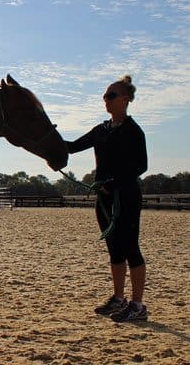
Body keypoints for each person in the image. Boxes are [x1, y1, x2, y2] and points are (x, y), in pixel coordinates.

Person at [65, 75, 148, 322]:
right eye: (105, 95)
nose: (106, 99)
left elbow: (141, 166)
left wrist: (114, 183)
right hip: (104, 200)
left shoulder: (134, 131)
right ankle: (118, 298)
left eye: (111, 95)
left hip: (126, 196)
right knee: (114, 249)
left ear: (125, 99)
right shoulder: (100, 130)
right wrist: (45, 140)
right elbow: (71, 146)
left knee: (131, 248)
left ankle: (138, 305)